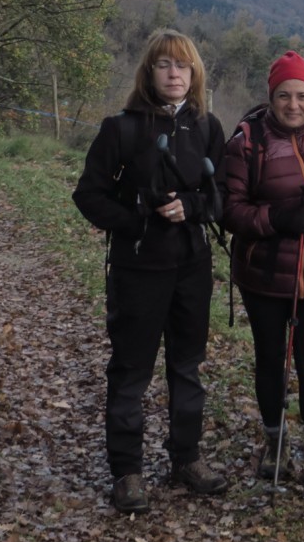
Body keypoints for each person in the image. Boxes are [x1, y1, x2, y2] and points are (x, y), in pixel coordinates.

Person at [72, 28, 229, 514]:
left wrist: (194, 207)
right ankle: (128, 472)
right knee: (131, 371)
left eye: (182, 65)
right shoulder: (120, 128)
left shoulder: (208, 128)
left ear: (195, 73)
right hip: (137, 268)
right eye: (164, 64)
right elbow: (88, 196)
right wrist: (138, 216)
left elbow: (221, 196)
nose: (175, 73)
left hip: (192, 267)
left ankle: (186, 458)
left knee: (187, 367)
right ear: (150, 72)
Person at [221, 50, 304, 502]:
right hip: (263, 278)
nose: (293, 104)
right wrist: (279, 218)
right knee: (271, 362)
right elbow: (230, 210)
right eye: (284, 95)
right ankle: (275, 445)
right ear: (271, 97)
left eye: (302, 95)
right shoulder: (247, 142)